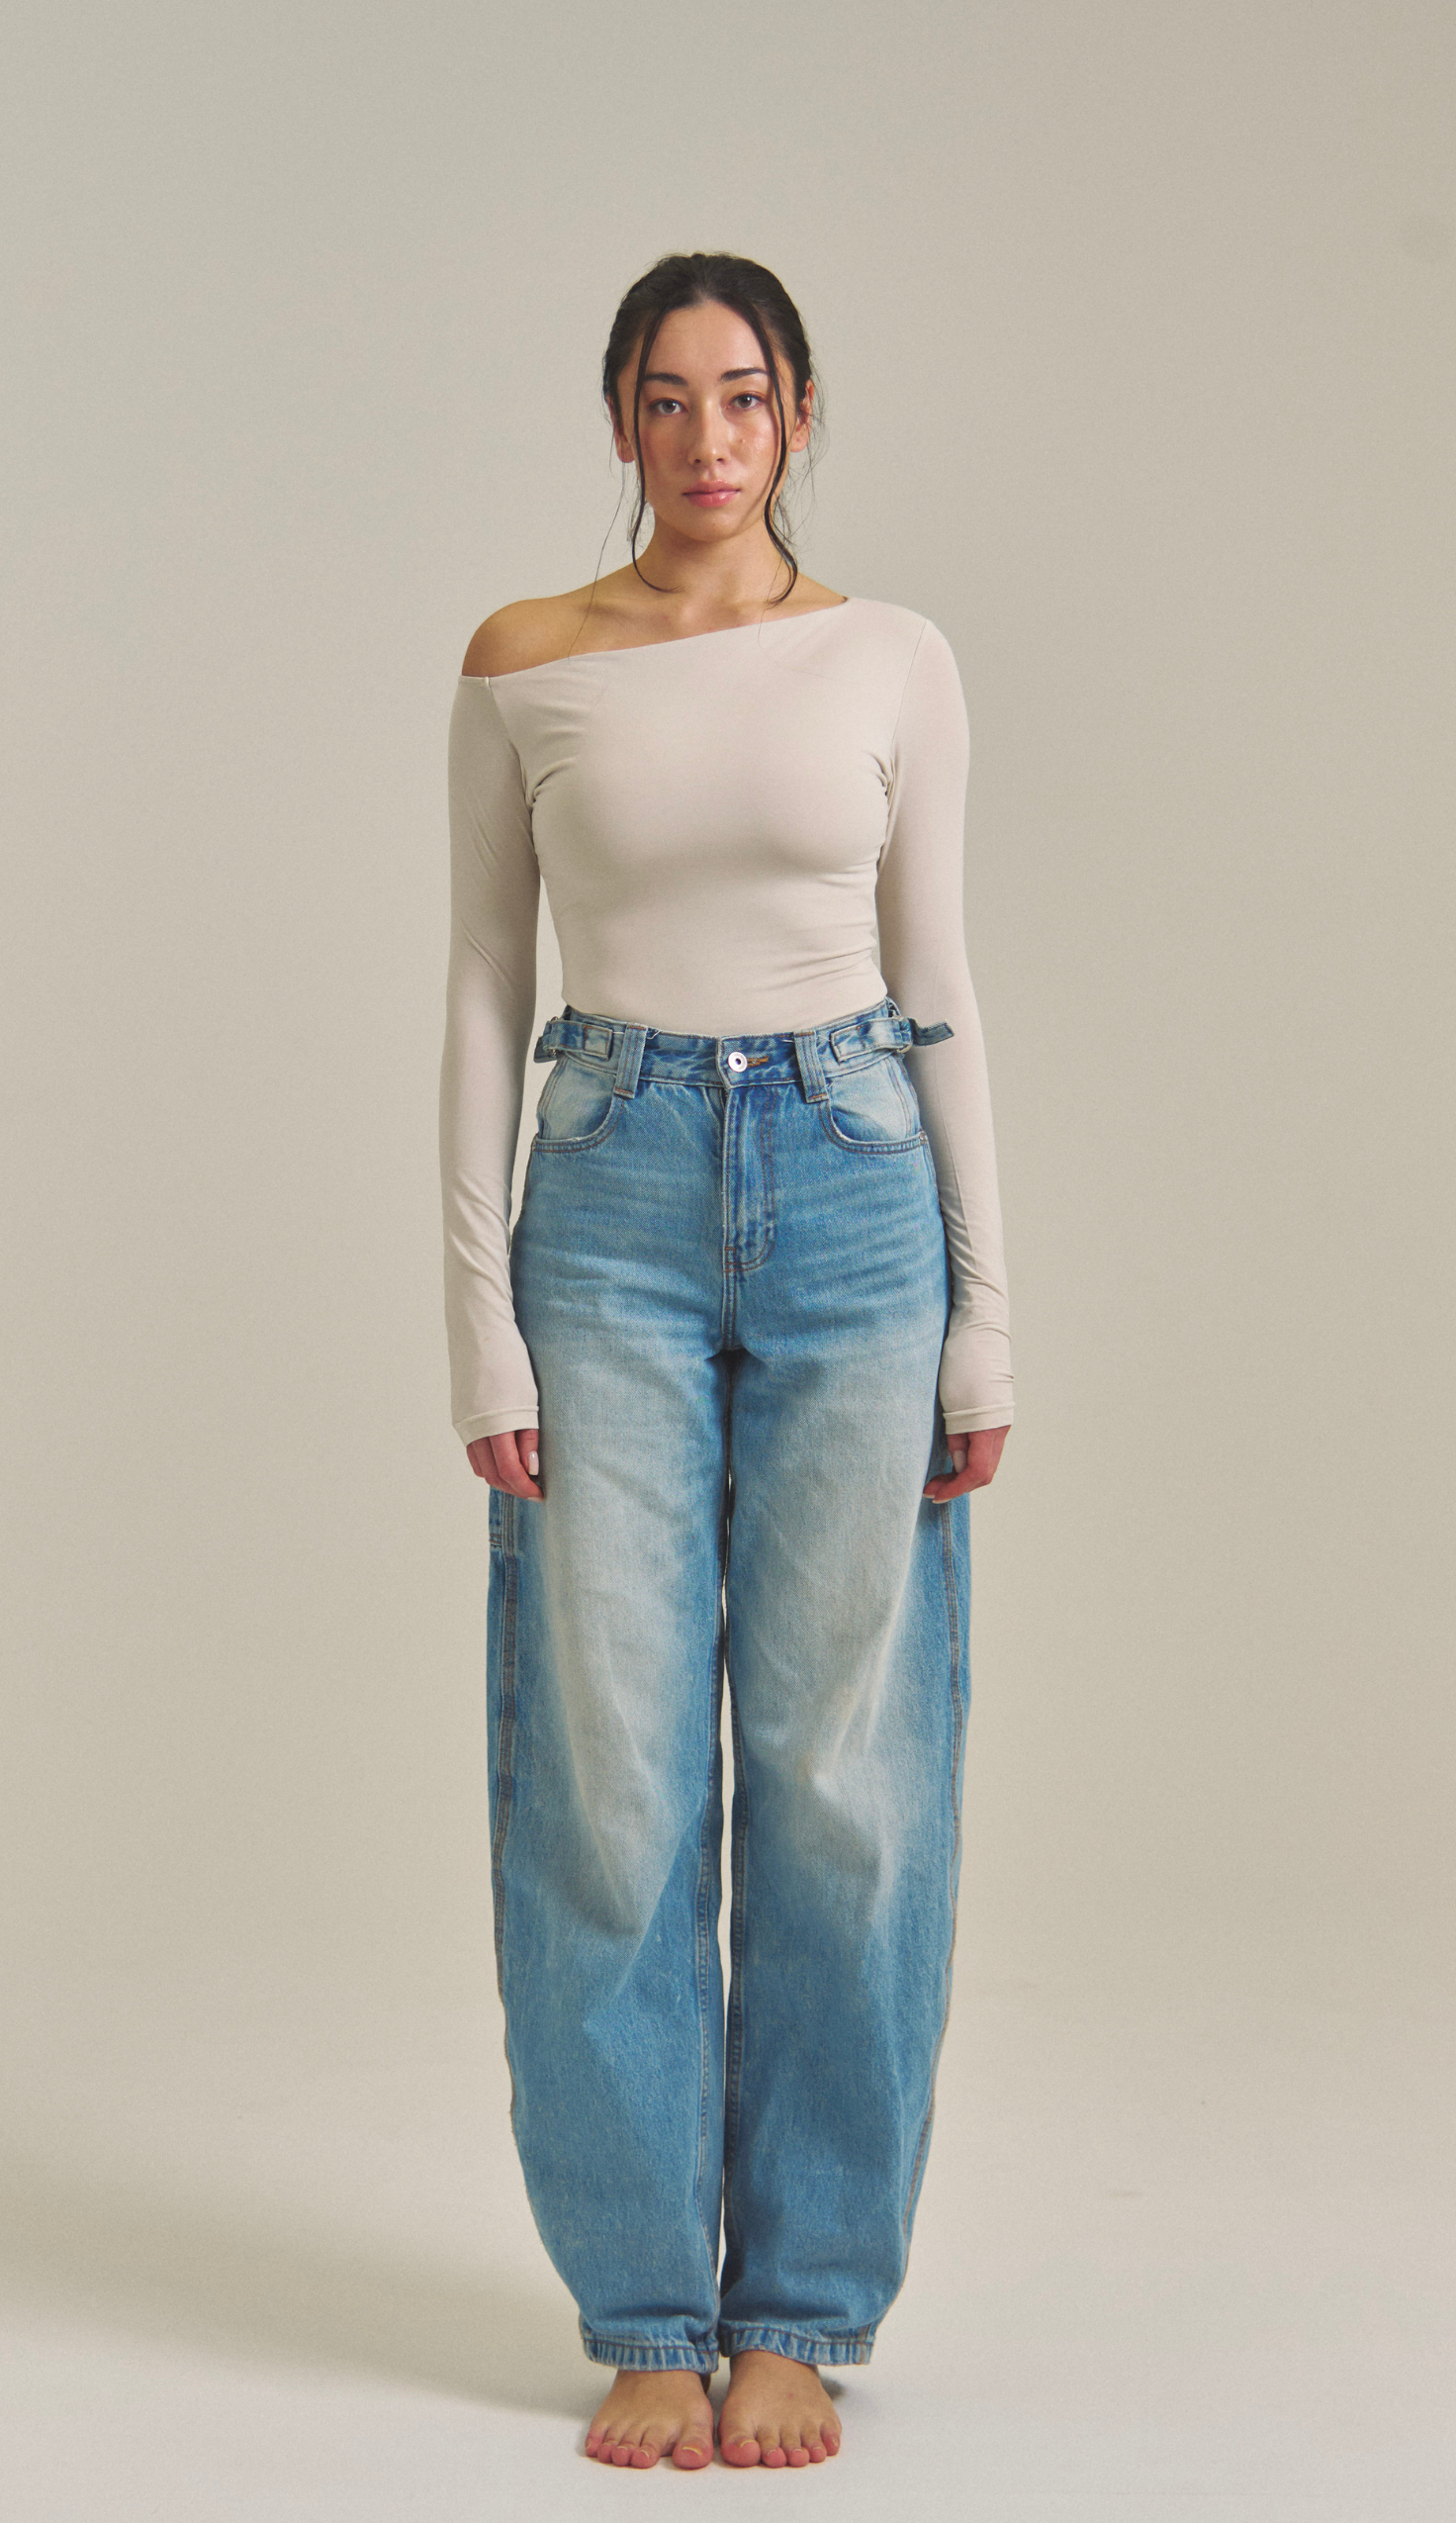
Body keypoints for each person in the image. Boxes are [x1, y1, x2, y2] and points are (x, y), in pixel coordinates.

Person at [438, 252, 1014, 2472]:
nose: (706, 437)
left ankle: (800, 2302)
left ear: (798, 415)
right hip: (606, 1194)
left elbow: (938, 973)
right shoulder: (526, 661)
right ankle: (645, 2309)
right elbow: (484, 985)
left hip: (857, 1182)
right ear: (619, 419)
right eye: (666, 397)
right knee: (606, 1765)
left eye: (744, 395)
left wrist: (986, 1308)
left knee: (848, 1769)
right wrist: (475, 1314)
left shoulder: (892, 656)